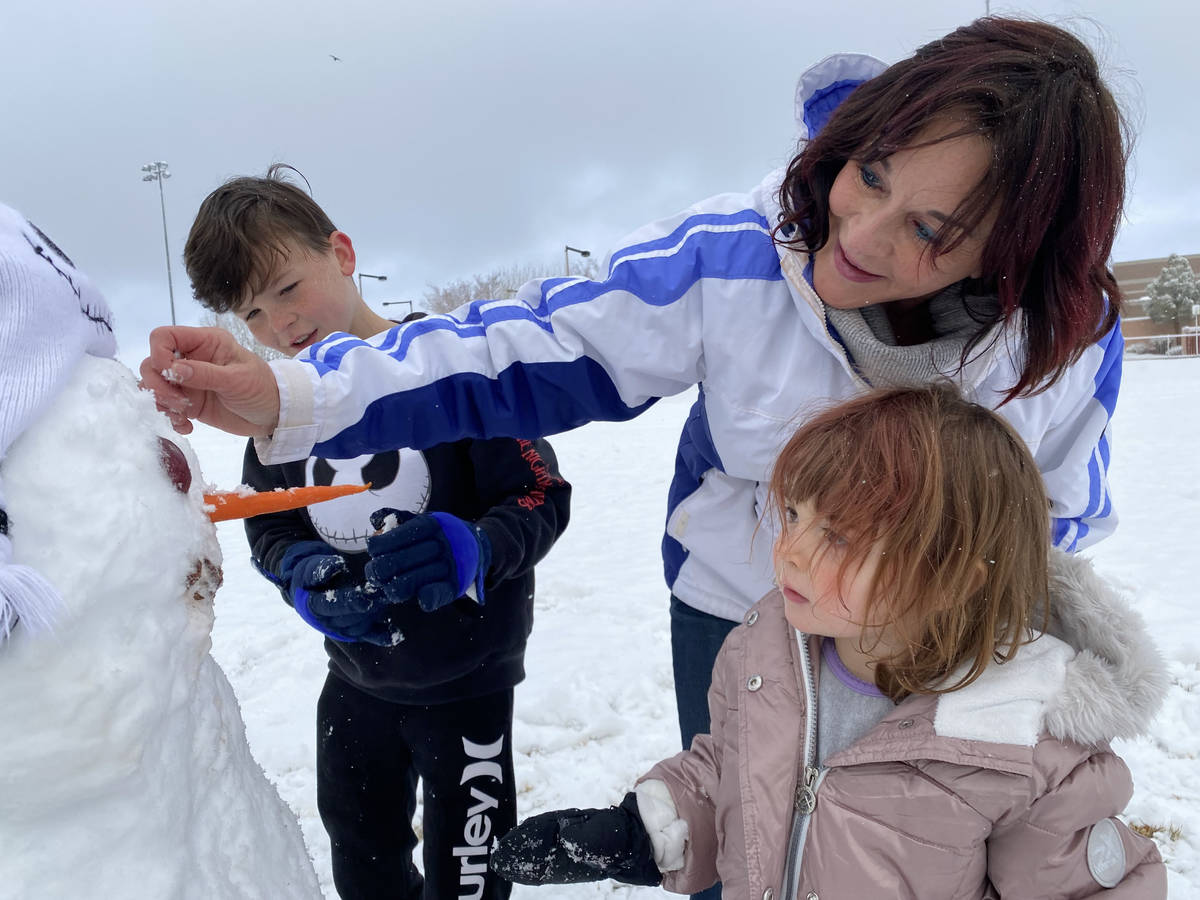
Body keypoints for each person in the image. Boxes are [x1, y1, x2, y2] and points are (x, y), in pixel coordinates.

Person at [143, 16, 1128, 851]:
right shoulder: (740, 255)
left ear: (1012, 258)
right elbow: (532, 342)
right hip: (742, 601)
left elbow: (1055, 515)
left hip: (933, 633)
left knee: (908, 845)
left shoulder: (1064, 337)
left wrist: (927, 620)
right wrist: (295, 398)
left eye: (932, 231)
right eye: (870, 176)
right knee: (742, 828)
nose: (860, 236)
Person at [488, 383, 1168, 900]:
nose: (790, 552)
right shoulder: (769, 654)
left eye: (839, 536)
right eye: (793, 514)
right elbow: (736, 770)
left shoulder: (1026, 748)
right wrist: (648, 830)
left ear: (952, 572)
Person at [182, 167, 571, 900]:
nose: (281, 327)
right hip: (356, 686)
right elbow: (270, 525)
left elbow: (540, 495)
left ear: (343, 253)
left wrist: (474, 549)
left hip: (468, 690)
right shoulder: (278, 411)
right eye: (254, 316)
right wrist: (304, 576)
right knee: (362, 862)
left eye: (289, 290)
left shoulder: (454, 368)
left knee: (470, 880)